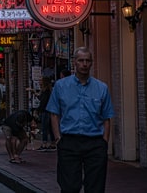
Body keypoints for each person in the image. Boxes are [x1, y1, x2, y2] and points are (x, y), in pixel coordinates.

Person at [47, 47, 114, 193]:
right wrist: (58, 138)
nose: (84, 64)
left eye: (87, 61)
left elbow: (106, 117)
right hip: (69, 141)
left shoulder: (101, 88)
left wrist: (104, 142)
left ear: (91, 64)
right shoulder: (61, 86)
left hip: (95, 142)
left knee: (95, 186)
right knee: (69, 185)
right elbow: (54, 113)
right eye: (81, 60)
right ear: (74, 63)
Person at [36, 77, 55, 151]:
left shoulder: (46, 91)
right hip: (49, 111)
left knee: (44, 128)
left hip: (45, 111)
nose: (39, 82)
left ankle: (44, 144)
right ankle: (53, 143)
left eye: (41, 81)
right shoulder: (48, 91)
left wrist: (38, 110)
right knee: (50, 128)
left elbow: (43, 102)